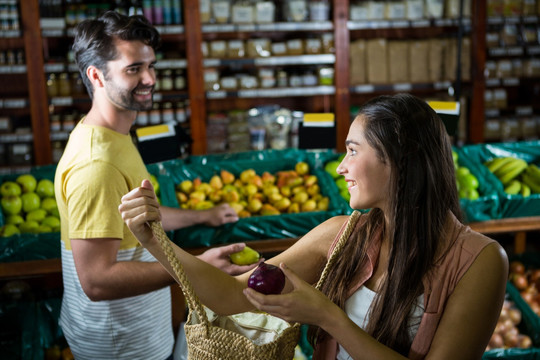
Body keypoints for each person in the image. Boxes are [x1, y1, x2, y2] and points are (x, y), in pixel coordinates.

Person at [119, 93, 509, 360]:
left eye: (353, 150)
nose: (341, 167)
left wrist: (326, 315)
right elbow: (233, 295)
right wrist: (157, 243)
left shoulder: (481, 262)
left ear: (398, 158)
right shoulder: (342, 234)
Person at [54, 10, 259, 360]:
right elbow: (97, 280)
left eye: (151, 66)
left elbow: (131, 214)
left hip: (135, 327)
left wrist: (202, 216)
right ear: (96, 76)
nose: (149, 79)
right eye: (133, 69)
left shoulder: (112, 136)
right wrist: (195, 269)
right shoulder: (96, 165)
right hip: (120, 342)